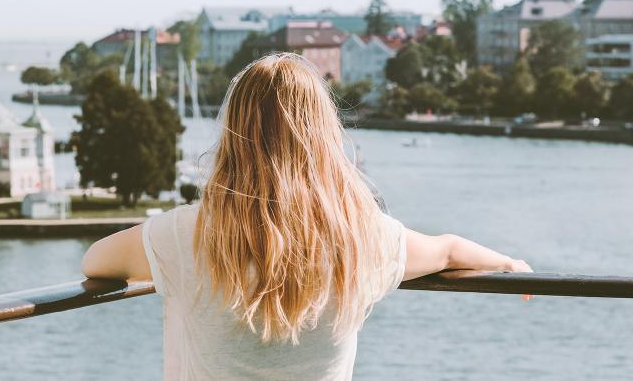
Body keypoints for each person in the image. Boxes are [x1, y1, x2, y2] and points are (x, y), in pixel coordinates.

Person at [82, 53, 532, 380]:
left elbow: (95, 263)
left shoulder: (186, 234)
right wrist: (508, 265)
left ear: (234, 133)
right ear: (324, 135)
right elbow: (448, 251)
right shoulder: (362, 239)